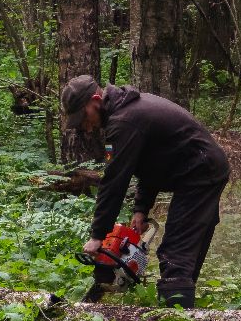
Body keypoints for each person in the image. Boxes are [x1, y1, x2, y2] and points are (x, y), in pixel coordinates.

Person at [61, 74, 230, 308]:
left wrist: (97, 235)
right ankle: (182, 301)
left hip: (200, 171)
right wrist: (141, 208)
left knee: (176, 250)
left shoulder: (125, 121)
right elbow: (150, 165)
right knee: (187, 247)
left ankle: (176, 317)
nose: (85, 125)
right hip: (199, 168)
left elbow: (114, 181)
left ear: (96, 100)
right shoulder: (123, 118)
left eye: (84, 116)